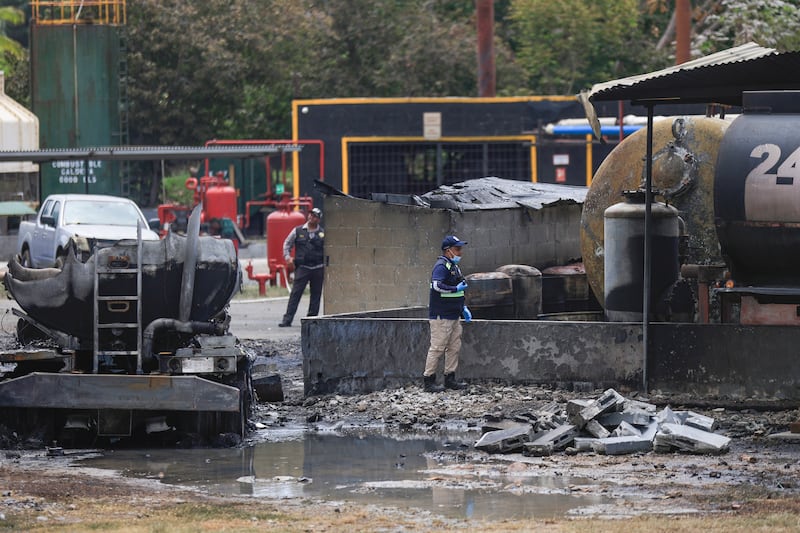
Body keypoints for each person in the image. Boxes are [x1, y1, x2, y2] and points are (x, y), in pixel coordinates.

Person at [422, 235, 471, 392]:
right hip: (441, 315)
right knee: (437, 348)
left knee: (454, 347)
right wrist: (455, 289)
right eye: (457, 249)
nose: (460, 252)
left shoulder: (453, 267)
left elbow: (460, 285)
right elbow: (437, 285)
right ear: (448, 251)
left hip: (453, 314)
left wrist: (462, 307)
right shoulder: (441, 266)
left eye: (460, 248)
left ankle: (450, 378)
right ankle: (429, 381)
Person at [279, 207, 325, 327]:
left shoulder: (323, 234)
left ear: (318, 219)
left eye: (314, 216)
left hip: (318, 268)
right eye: (310, 215)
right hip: (303, 267)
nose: (311, 217)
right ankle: (287, 319)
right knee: (295, 294)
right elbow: (287, 243)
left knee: (316, 295)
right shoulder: (298, 231)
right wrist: (287, 257)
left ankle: (311, 320)